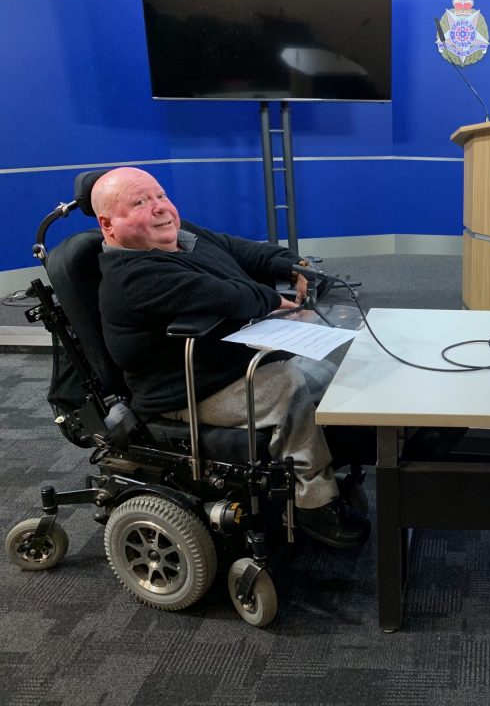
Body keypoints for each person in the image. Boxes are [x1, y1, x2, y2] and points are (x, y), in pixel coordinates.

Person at [90, 166, 370, 549]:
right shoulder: (132, 275)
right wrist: (274, 301)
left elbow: (238, 249)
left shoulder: (180, 234)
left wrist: (290, 264)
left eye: (159, 196)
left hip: (227, 361)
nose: (159, 208)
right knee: (288, 388)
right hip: (186, 389)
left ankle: (345, 457)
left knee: (333, 363)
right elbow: (229, 295)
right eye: (140, 203)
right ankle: (312, 501)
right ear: (109, 224)